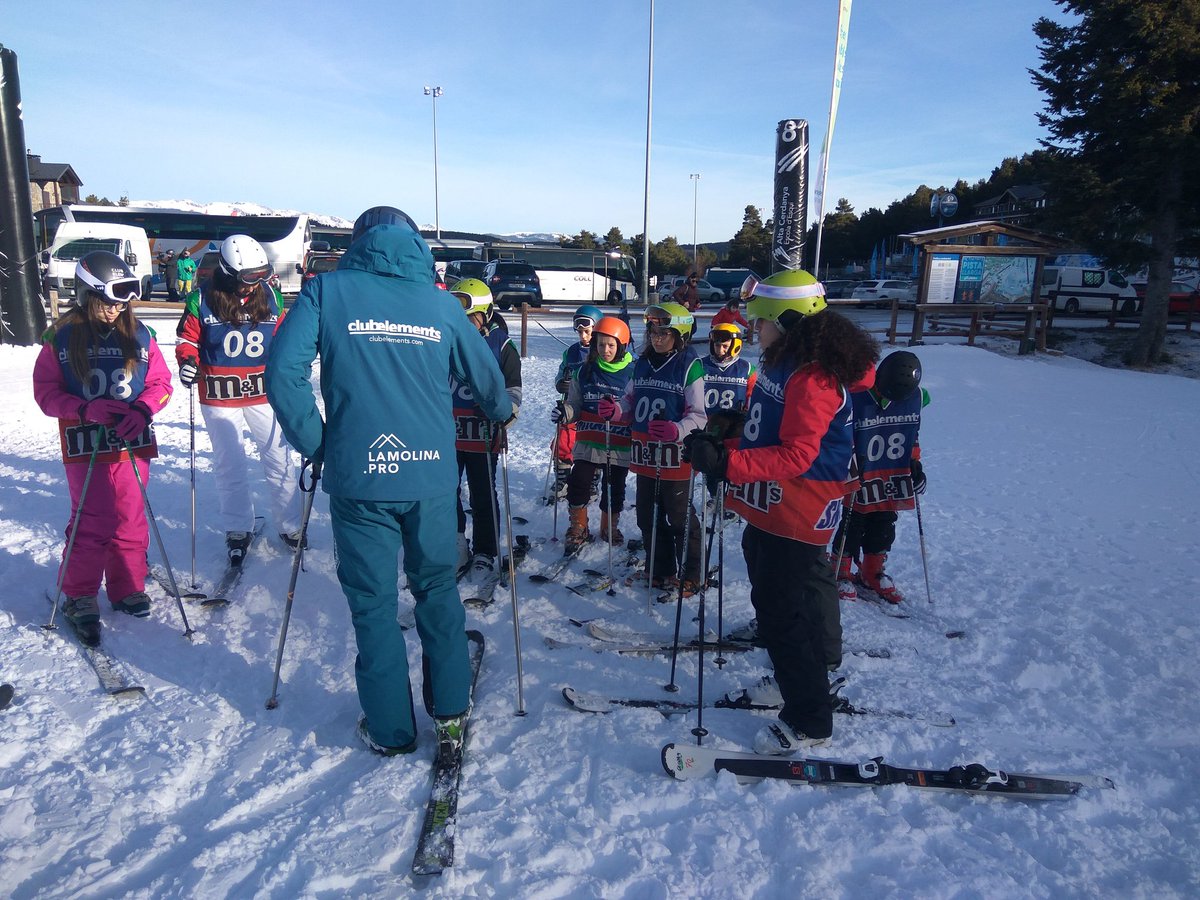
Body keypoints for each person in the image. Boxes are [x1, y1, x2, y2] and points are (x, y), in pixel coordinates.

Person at [265, 206, 512, 756]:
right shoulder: (441, 304)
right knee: (436, 589)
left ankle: (390, 728)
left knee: (374, 605)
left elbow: (282, 372)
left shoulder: (328, 292)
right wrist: (498, 411)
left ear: (359, 242)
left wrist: (319, 443)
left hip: (361, 477)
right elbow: (488, 381)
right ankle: (449, 712)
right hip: (429, 477)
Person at [684, 270, 877, 756]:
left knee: (782, 611)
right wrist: (725, 435)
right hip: (772, 505)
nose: (753, 329)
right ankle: (789, 679)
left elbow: (797, 455)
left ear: (788, 320)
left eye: (761, 320)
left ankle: (810, 717)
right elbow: (765, 430)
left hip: (800, 507)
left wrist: (729, 462)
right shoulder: (782, 362)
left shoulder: (812, 378)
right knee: (771, 594)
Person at [32, 251, 174, 644]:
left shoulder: (141, 334)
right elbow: (45, 394)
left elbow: (161, 384)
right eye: (107, 300)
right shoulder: (61, 337)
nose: (115, 309)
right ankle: (79, 594)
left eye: (121, 301)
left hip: (130, 443)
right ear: (86, 294)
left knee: (131, 516)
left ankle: (126, 584)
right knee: (93, 519)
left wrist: (145, 409)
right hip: (86, 444)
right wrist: (82, 408)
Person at [176, 234, 301, 560]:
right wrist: (188, 362)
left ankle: (291, 525)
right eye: (248, 278)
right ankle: (238, 527)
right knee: (229, 462)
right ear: (229, 273)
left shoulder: (271, 296)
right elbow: (187, 340)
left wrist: (291, 367)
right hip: (219, 394)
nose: (254, 284)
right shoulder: (201, 299)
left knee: (279, 458)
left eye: (261, 274)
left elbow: (285, 338)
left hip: (262, 392)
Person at [599, 301, 706, 594]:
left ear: (680, 335)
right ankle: (659, 568)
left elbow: (699, 415)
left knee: (679, 515)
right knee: (647, 514)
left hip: (675, 456)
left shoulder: (689, 365)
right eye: (653, 332)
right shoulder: (642, 363)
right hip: (646, 454)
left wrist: (677, 429)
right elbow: (631, 401)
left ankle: (692, 572)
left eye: (664, 333)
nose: (657, 338)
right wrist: (617, 411)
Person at [833, 350, 929, 604]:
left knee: (885, 521)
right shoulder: (853, 394)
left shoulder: (917, 397)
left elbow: (912, 432)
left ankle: (872, 570)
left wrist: (915, 463)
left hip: (892, 470)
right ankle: (840, 570)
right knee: (852, 520)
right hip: (858, 469)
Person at [450, 278, 523, 589]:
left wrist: (507, 415)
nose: (462, 322)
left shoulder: (501, 345)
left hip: (482, 432)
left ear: (485, 314)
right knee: (445, 490)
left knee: (482, 491)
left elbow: (514, 388)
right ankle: (455, 544)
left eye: (469, 316)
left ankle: (485, 551)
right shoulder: (446, 340)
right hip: (449, 430)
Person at [552, 316, 635, 552]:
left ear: (622, 346)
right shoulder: (584, 371)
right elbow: (575, 403)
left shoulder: (632, 372)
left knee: (614, 485)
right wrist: (565, 413)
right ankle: (578, 524)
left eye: (611, 345)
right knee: (579, 481)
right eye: (600, 345)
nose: (605, 350)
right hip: (589, 438)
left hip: (618, 440)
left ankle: (610, 525)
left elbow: (636, 406)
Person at [548, 305, 602, 504]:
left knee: (592, 446)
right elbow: (561, 372)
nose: (584, 337)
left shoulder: (602, 351)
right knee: (562, 442)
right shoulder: (571, 352)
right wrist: (560, 382)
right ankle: (562, 480)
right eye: (580, 332)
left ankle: (592, 482)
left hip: (592, 408)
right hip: (570, 407)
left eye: (588, 332)